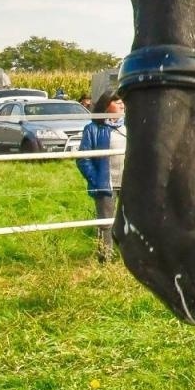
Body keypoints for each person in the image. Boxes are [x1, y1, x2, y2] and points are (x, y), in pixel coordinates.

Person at [75, 92, 125, 263]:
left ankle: (127, 258)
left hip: (128, 183)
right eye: (117, 102)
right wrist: (95, 180)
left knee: (127, 221)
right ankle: (105, 258)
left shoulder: (129, 126)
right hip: (106, 182)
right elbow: (83, 158)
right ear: (106, 106)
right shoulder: (92, 129)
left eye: (122, 102)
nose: (122, 105)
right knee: (106, 223)